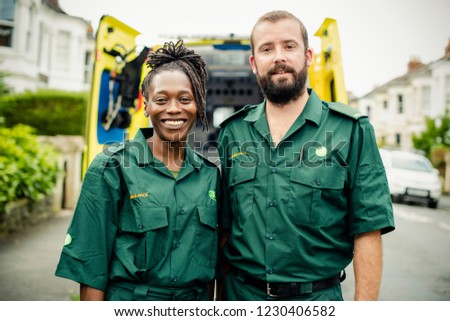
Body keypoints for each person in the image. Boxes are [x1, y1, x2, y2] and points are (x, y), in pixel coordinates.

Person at [217, 10, 395, 301]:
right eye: (266, 49)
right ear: (253, 63)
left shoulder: (351, 130)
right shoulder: (233, 133)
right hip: (240, 297)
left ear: (308, 55)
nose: (278, 57)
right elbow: (225, 228)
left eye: (289, 46)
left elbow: (368, 229)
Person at [55, 40, 220, 301]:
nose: (174, 108)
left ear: (198, 104)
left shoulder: (210, 175)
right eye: (162, 99)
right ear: (146, 105)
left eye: (185, 99)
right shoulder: (112, 167)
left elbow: (217, 269)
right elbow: (91, 268)